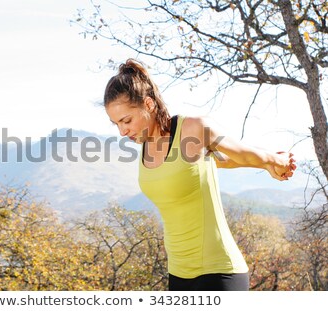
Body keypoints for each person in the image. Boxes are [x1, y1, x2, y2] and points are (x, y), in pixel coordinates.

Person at [103, 58, 296, 291]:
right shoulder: (145, 147)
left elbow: (241, 152)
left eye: (127, 120)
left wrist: (275, 161)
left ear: (149, 104)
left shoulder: (193, 128)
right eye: (116, 124)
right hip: (178, 275)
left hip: (219, 273)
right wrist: (265, 167)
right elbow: (213, 163)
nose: (123, 131)